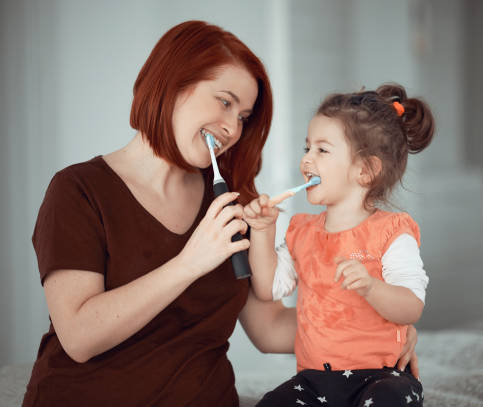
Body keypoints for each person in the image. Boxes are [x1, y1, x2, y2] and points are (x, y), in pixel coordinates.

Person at [23, 20, 420, 406]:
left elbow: (270, 331)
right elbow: (78, 337)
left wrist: (380, 332)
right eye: (225, 102)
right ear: (173, 82)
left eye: (243, 117)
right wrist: (189, 263)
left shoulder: (233, 202)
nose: (232, 128)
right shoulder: (77, 190)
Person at [244, 84, 434, 406]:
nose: (306, 159)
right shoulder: (301, 232)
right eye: (306, 148)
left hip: (383, 376)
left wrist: (372, 288)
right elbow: (267, 289)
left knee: (391, 398)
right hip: (316, 381)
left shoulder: (392, 232)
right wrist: (262, 231)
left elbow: (411, 306)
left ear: (365, 170)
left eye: (322, 150)